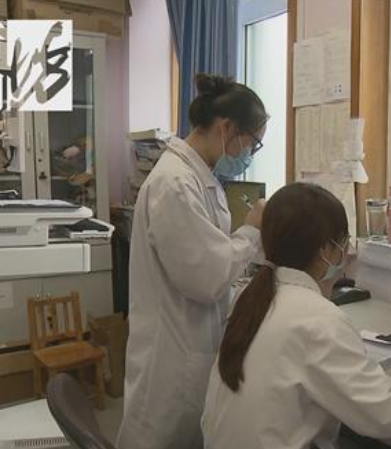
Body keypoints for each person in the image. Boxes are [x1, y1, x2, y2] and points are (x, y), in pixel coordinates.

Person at [201, 183, 391, 449]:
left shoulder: (250, 297)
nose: (347, 253)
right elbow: (388, 414)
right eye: (343, 243)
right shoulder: (317, 319)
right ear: (326, 250)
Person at [117, 74, 269, 449]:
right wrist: (251, 232)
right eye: (252, 143)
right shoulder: (175, 184)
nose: (249, 155)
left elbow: (205, 259)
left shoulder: (198, 178)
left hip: (188, 345)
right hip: (170, 361)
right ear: (226, 128)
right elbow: (207, 277)